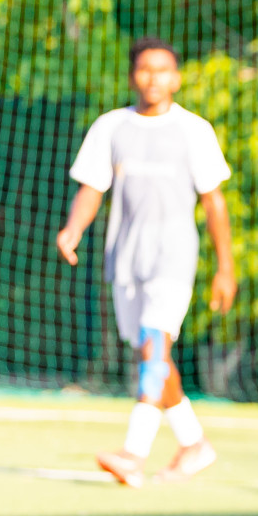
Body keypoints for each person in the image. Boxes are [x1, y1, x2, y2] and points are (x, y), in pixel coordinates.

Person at [56, 37, 236, 487]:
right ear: (132, 76)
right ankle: (193, 443)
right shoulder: (110, 127)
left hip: (173, 258)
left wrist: (225, 268)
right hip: (125, 261)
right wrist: (73, 228)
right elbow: (92, 187)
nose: (154, 78)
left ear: (176, 78)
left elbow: (214, 202)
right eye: (145, 69)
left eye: (163, 70)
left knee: (154, 345)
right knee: (151, 355)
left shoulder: (194, 130)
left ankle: (133, 453)